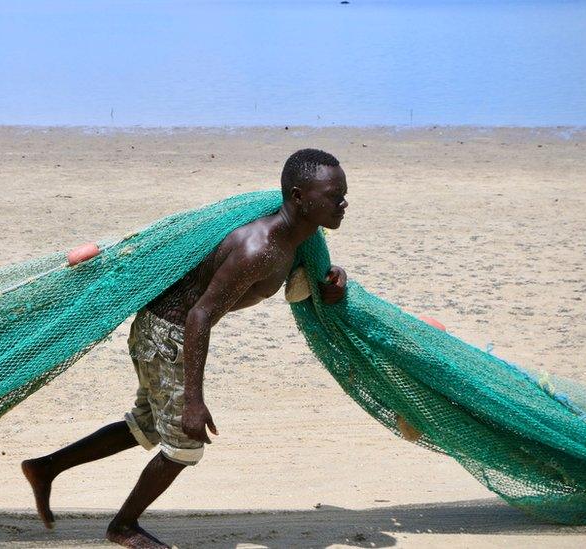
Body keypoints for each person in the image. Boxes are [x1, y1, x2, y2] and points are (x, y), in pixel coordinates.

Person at [22, 148, 349, 548]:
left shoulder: (300, 238)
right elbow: (199, 316)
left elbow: (310, 279)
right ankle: (123, 526)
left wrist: (334, 280)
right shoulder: (259, 249)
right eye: (334, 196)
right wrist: (194, 400)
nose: (343, 203)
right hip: (169, 333)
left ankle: (45, 468)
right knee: (184, 447)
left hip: (165, 331)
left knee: (146, 425)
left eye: (343, 194)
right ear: (299, 198)